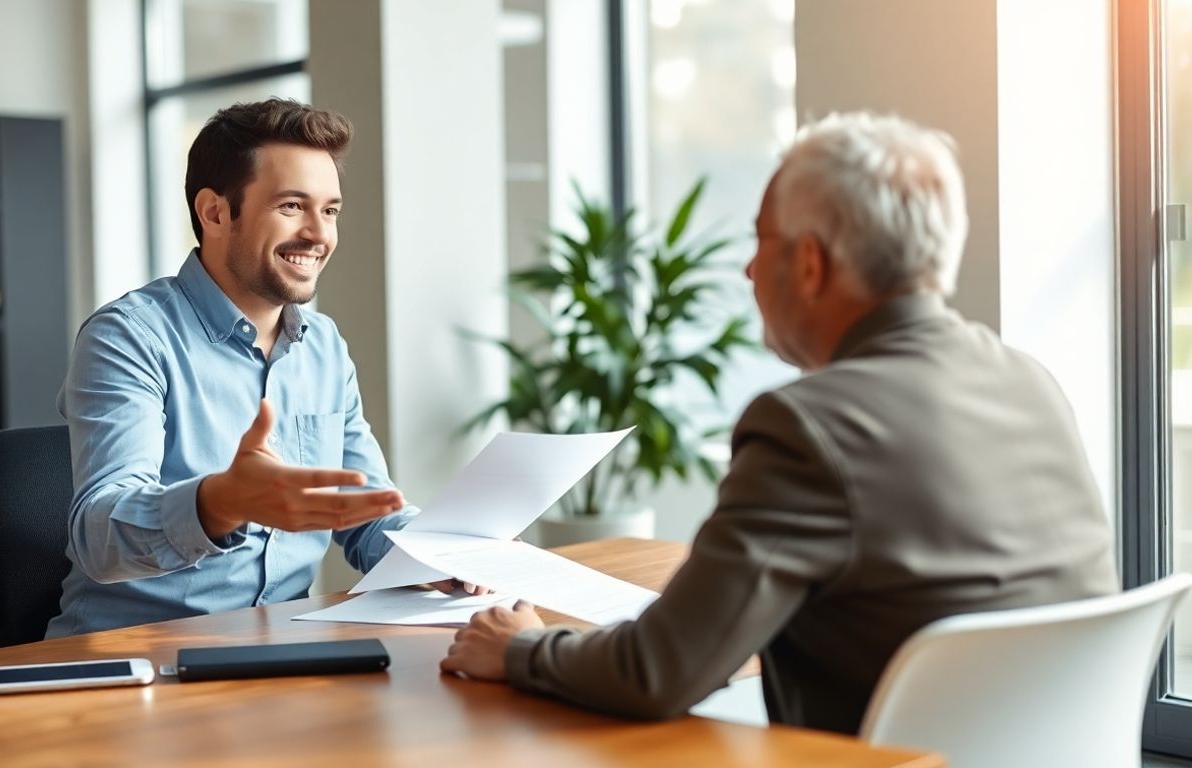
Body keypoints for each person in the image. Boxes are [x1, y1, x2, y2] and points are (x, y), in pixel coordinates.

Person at [440, 112, 1119, 735]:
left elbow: (658, 671)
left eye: (760, 240)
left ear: (811, 263)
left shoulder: (809, 426)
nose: (748, 267)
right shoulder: (1030, 380)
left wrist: (523, 647)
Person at [48, 98, 464, 638]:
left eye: (330, 211)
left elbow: (366, 515)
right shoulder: (128, 336)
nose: (319, 235)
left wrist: (447, 554)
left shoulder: (323, 346)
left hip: (281, 647)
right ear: (215, 213)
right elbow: (99, 537)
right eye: (292, 206)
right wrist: (218, 503)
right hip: (138, 654)